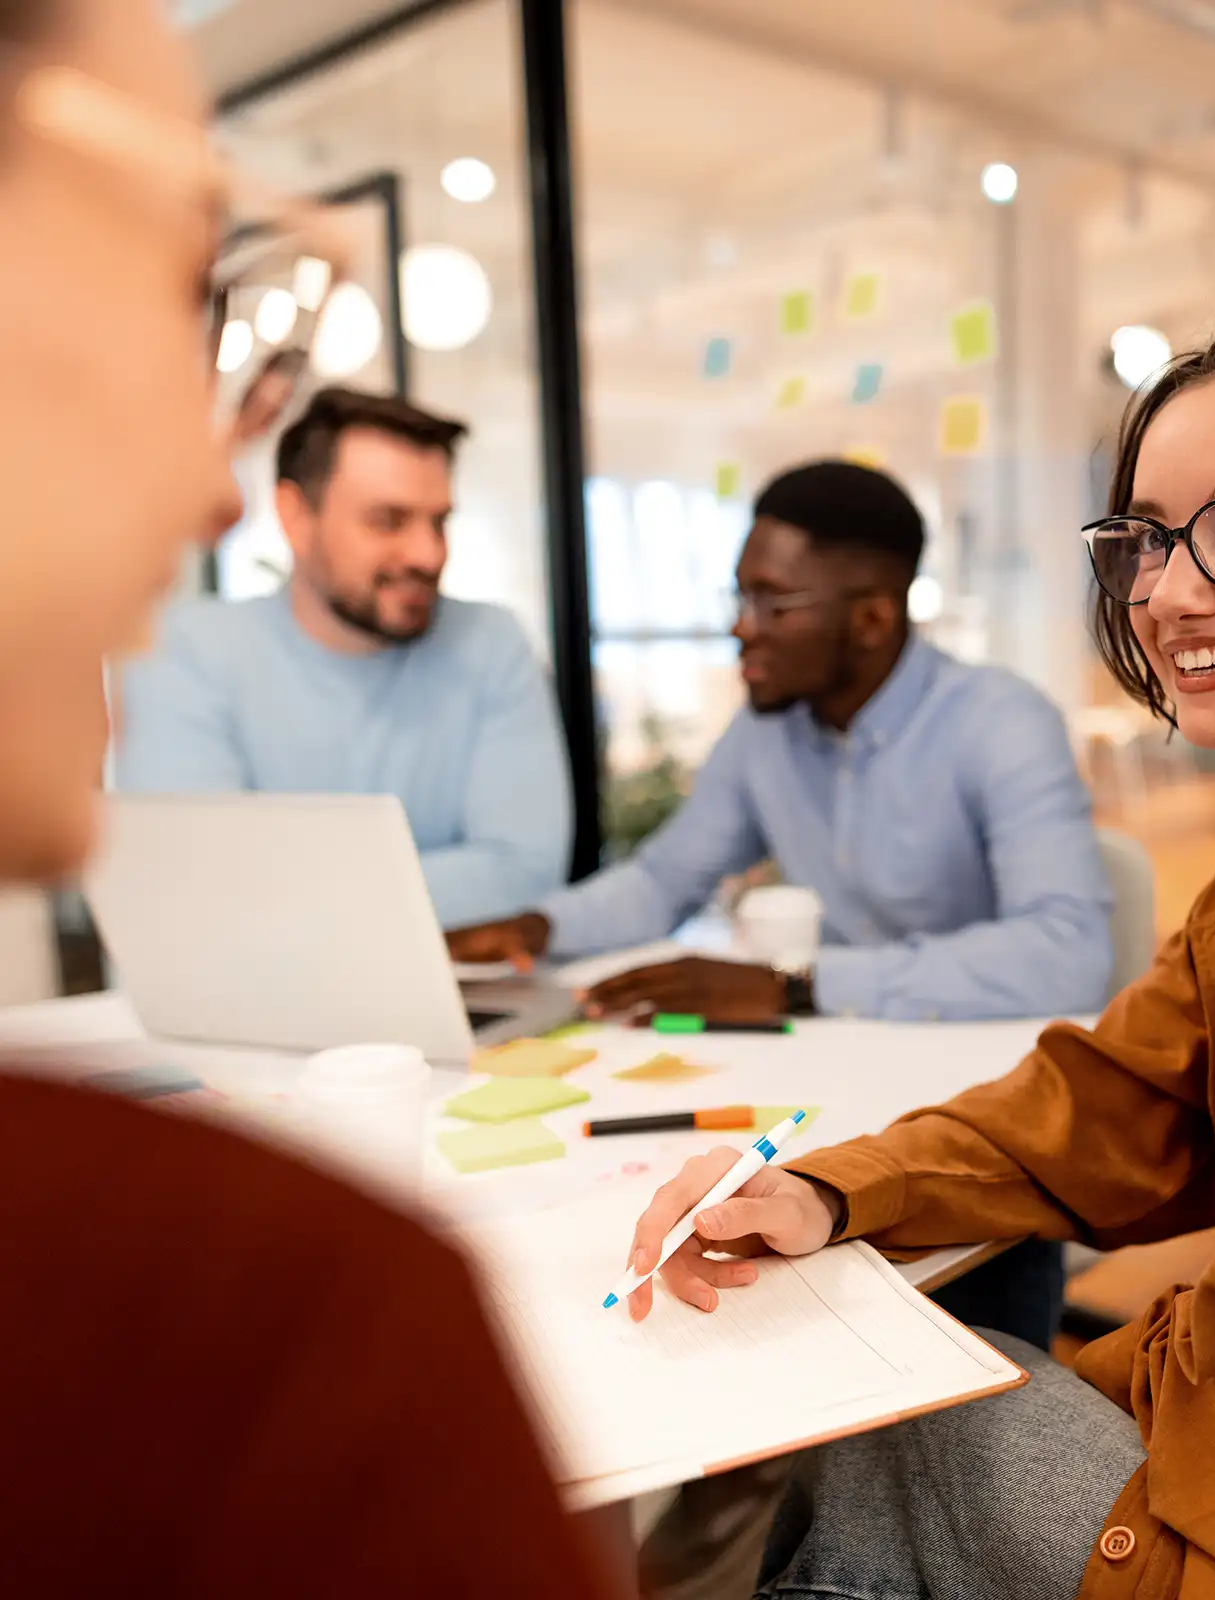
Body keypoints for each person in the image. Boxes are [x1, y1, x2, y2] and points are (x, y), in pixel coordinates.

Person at [624, 296, 1215, 1599]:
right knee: (901, 1391)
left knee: (882, 1424)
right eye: (1143, 540)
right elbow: (1119, 1097)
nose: (1169, 591)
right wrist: (826, 1189)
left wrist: (1120, 1366)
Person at [0, 0, 614, 1592]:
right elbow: (193, 865)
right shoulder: (276, 1319)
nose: (194, 472)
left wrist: (305, 870)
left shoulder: (238, 1304)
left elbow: (521, 858)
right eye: (175, 305)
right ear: (290, 520)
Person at [450, 458, 1114, 1026]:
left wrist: (795, 985)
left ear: (874, 618)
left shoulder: (1002, 723)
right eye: (739, 597)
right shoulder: (766, 732)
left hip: (984, 1068)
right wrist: (537, 928)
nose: (741, 629)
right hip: (840, 1058)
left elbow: (1067, 955)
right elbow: (663, 882)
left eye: (772, 602)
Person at [116, 386, 574, 931]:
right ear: (295, 516)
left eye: (439, 522)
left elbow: (524, 871)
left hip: (449, 993)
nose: (429, 554)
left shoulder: (491, 642)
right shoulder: (185, 651)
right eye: (388, 520)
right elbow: (196, 887)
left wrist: (285, 900)